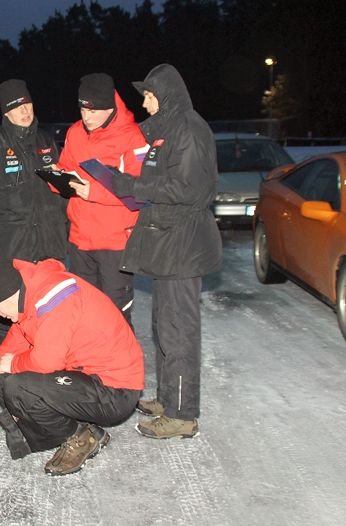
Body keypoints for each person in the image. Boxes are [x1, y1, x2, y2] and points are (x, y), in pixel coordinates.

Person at [0, 259, 144, 476]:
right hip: (86, 378)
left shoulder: (55, 296)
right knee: (0, 378)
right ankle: (53, 428)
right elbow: (0, 356)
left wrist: (16, 363)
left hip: (115, 390)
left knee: (18, 385)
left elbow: (47, 362)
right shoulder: (27, 303)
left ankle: (81, 436)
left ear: (9, 294)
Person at [111, 63, 222, 439]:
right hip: (168, 241)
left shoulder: (189, 129)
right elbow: (162, 178)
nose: (144, 102)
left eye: (148, 95)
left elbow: (186, 188)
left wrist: (132, 186)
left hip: (182, 242)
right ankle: (168, 397)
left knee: (179, 331)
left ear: (166, 95)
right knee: (164, 326)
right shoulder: (169, 130)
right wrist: (127, 180)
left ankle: (181, 415)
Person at [0, 79, 69, 353]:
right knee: (7, 322)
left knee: (47, 318)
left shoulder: (47, 142)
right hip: (8, 250)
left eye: (27, 103)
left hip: (47, 248)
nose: (25, 110)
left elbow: (61, 192)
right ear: (6, 112)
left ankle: (38, 380)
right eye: (17, 106)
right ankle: (0, 381)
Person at [55, 73, 149, 326]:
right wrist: (57, 179)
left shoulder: (133, 137)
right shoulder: (75, 132)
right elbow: (66, 168)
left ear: (110, 107)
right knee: (85, 313)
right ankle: (90, 365)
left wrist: (93, 192)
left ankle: (119, 366)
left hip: (114, 243)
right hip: (79, 240)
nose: (87, 117)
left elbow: (140, 192)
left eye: (94, 111)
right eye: (83, 109)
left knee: (114, 315)